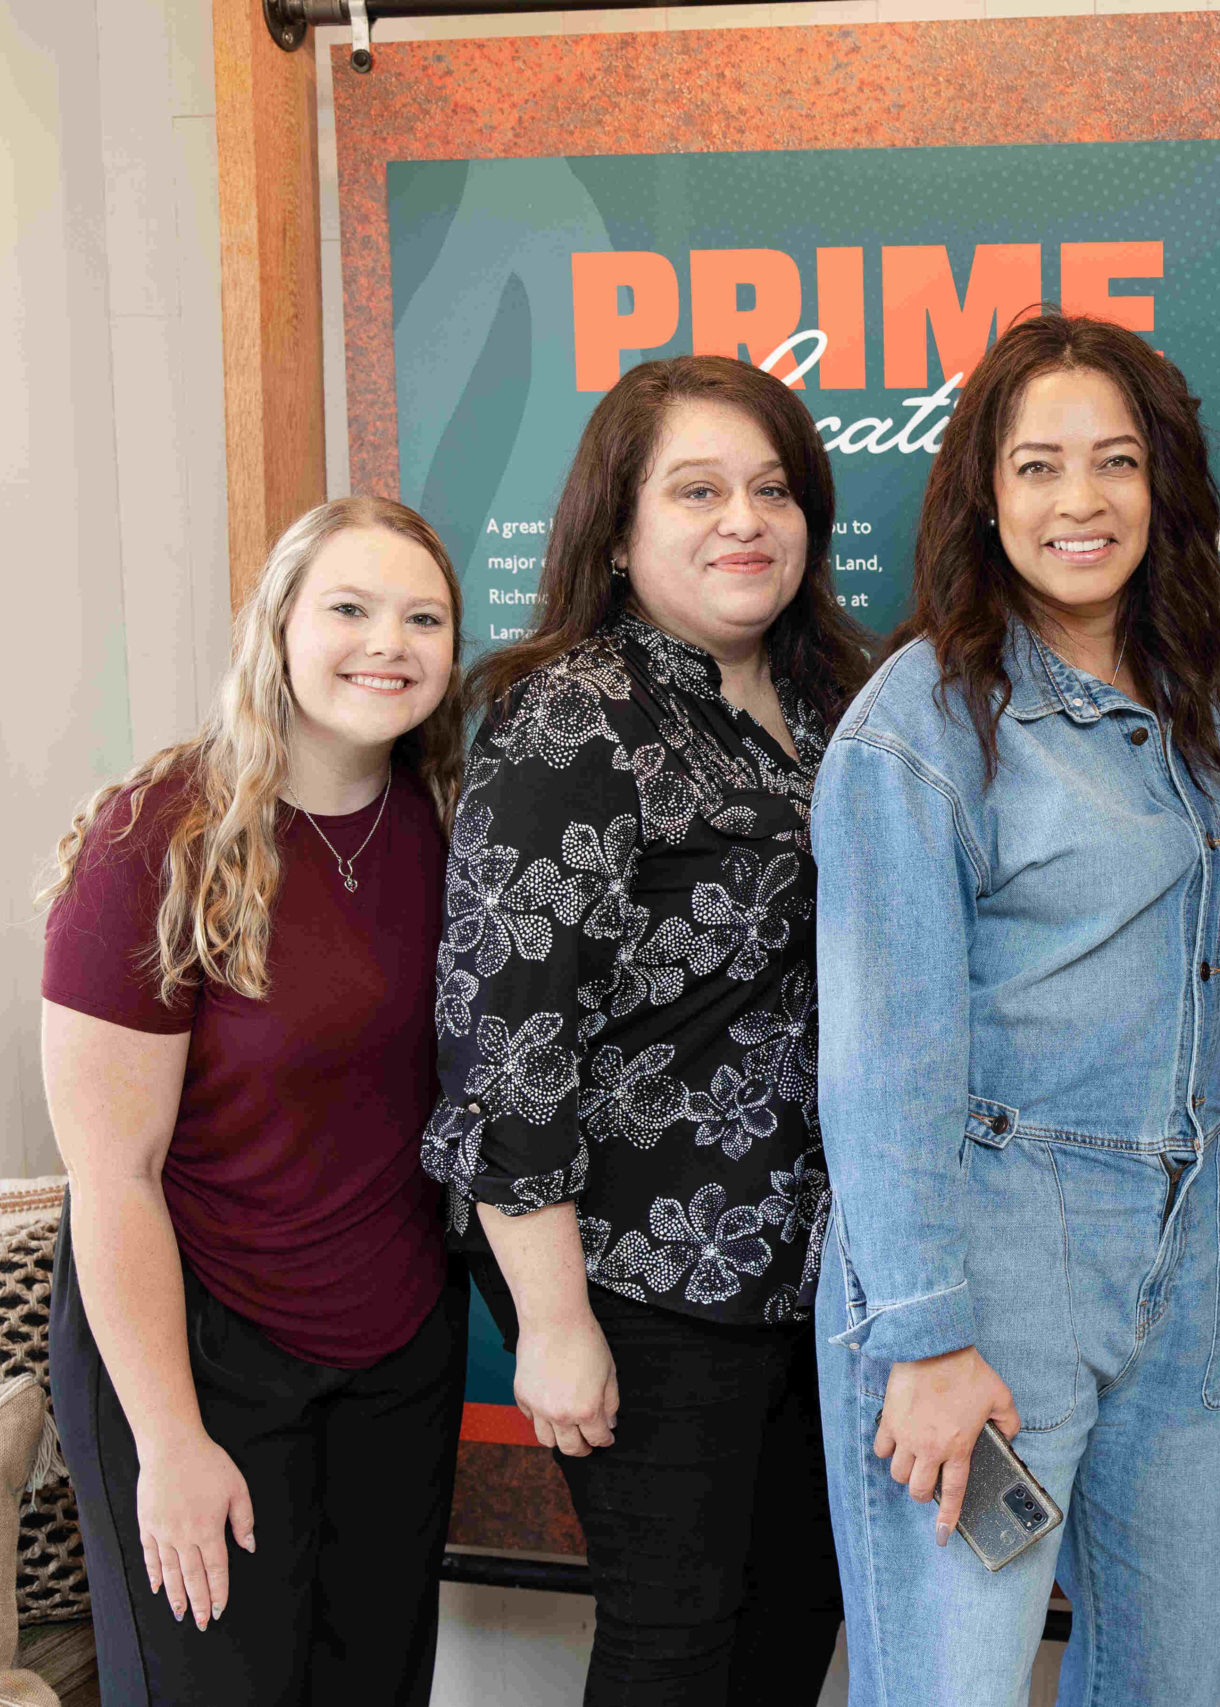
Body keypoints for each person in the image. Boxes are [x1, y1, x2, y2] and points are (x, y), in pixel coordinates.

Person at [811, 312, 1220, 1707]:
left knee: (1169, 1676)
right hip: (989, 1270)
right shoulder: (922, 727)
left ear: (1162, 486)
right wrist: (928, 1339)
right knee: (954, 1677)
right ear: (984, 495)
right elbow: (883, 1060)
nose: (1081, 500)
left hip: (1187, 1265)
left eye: (1116, 462)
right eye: (1040, 464)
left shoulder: (1194, 703)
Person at [422, 354, 869, 1704]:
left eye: (773, 487)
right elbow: (507, 1038)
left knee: (794, 1614)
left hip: (804, 1267)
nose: (745, 517)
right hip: (633, 1267)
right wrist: (554, 1320)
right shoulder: (578, 713)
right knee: (676, 1637)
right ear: (617, 531)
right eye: (698, 489)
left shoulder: (834, 702)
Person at [40, 495, 470, 1705]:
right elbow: (110, 1175)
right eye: (349, 607)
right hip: (198, 1347)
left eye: (422, 617)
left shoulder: (454, 828)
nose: (387, 642)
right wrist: (170, 1444)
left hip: (396, 1351)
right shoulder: (156, 836)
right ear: (277, 625)